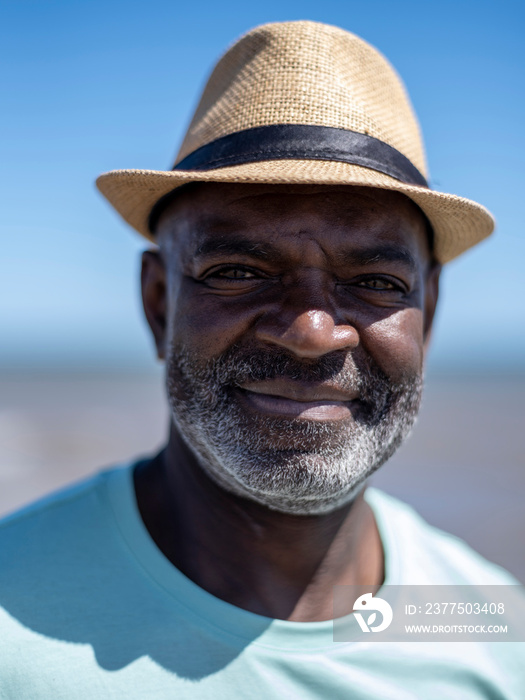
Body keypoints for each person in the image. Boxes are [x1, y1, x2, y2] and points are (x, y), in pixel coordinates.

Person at [1, 20, 523, 699]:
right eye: (237, 270)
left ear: (429, 313)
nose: (311, 333)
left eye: (375, 283)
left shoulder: (485, 631)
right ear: (159, 304)